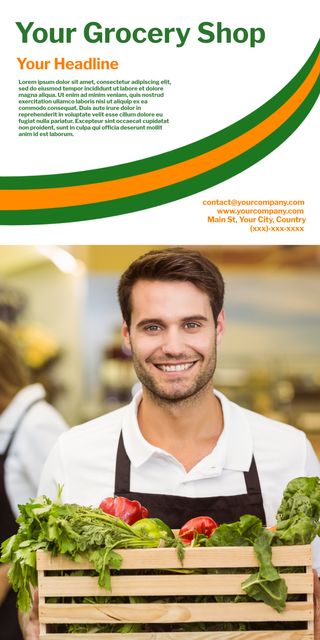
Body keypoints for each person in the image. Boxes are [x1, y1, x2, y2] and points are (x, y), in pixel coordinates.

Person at [23, 248, 320, 638]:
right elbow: (42, 602)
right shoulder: (74, 454)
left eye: (192, 324)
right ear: (127, 334)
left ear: (219, 326)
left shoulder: (288, 452)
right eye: (153, 327)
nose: (174, 346)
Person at [0, 322, 68, 640]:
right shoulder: (6, 422)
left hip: (20, 602)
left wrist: (6, 573)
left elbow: (65, 523)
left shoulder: (37, 424)